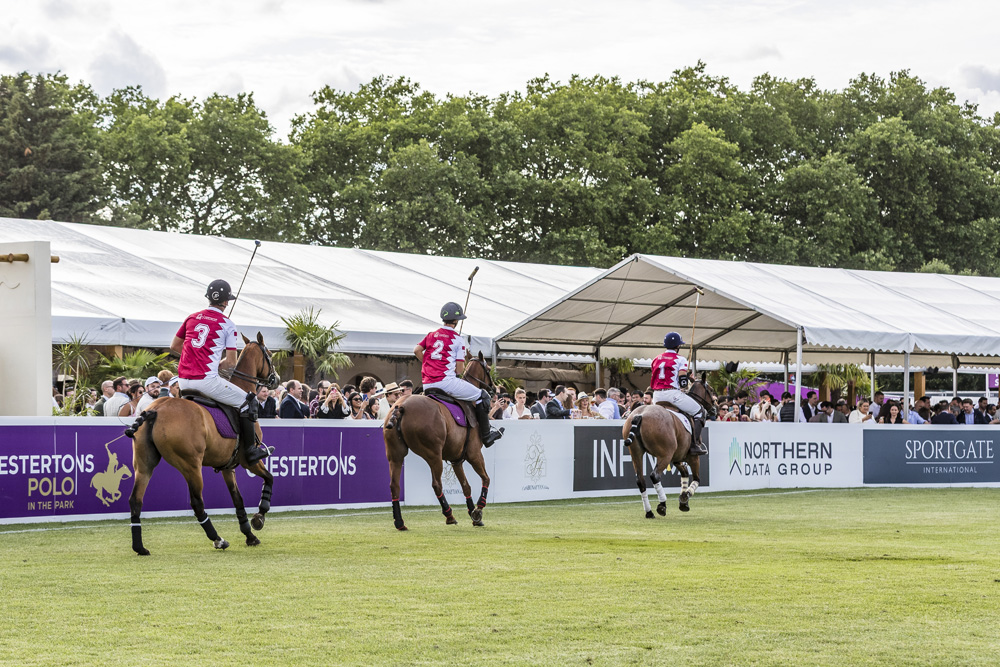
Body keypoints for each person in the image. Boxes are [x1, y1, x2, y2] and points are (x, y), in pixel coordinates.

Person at [170, 279, 271, 463]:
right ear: (226, 302)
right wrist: (215, 364)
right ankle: (251, 451)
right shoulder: (228, 324)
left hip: (183, 381)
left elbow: (175, 345)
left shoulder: (192, 317)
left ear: (209, 298)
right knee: (249, 401)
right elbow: (231, 363)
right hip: (207, 382)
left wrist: (195, 358)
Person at [413, 302, 503, 447]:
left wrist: (428, 364)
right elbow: (459, 371)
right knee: (483, 396)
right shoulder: (458, 339)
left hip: (427, 383)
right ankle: (486, 436)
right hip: (446, 382)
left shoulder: (431, 335)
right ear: (457, 321)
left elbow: (416, 350)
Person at [650, 331, 708, 455]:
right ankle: (694, 445)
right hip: (672, 394)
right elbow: (682, 380)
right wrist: (686, 382)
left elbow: (662, 375)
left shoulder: (656, 359)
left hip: (656, 396)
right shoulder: (680, 359)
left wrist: (686, 377)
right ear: (678, 346)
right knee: (700, 412)